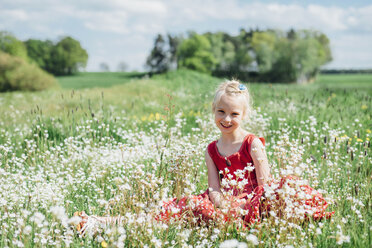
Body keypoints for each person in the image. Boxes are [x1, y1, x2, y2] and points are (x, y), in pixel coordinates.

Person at [74, 80, 334, 235]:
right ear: (213, 111)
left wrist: (241, 206)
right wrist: (224, 205)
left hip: (253, 205)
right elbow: (213, 189)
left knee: (288, 186)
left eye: (234, 114)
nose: (226, 119)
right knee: (177, 207)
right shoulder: (212, 149)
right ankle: (100, 222)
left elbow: (264, 187)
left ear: (244, 115)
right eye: (221, 112)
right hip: (224, 205)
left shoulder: (252, 144)